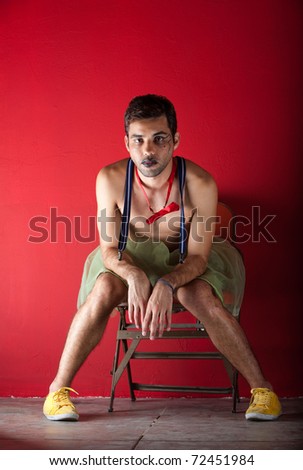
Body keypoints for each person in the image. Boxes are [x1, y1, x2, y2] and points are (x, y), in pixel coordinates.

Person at [43, 94, 282, 422]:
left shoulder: (200, 183)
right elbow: (109, 249)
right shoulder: (110, 179)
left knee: (195, 293)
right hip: (132, 256)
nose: (148, 151)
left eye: (159, 139)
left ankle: (263, 391)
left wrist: (168, 283)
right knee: (103, 290)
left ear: (176, 140)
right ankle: (57, 391)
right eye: (138, 140)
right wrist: (134, 275)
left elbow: (199, 258)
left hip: (186, 257)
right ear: (127, 142)